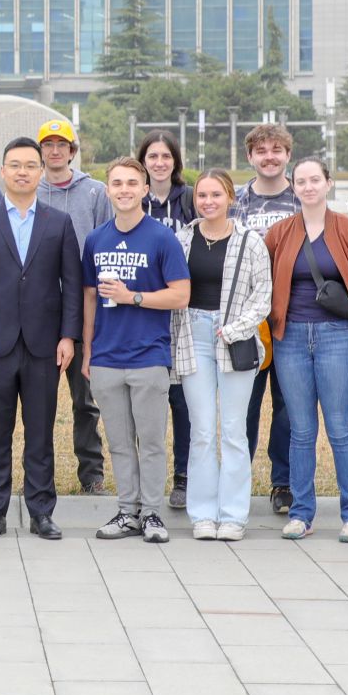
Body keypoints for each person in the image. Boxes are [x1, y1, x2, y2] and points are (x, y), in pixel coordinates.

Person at [0, 137, 84, 540]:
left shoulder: (58, 222)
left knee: (40, 433)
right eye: (15, 165)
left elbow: (71, 283)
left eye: (31, 165)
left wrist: (68, 336)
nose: (23, 172)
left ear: (40, 172)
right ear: (3, 171)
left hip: (44, 344)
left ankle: (41, 512)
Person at [265, 156, 348, 543]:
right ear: (293, 187)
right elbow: (264, 279)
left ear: (328, 183)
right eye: (301, 181)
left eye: (315, 179)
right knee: (300, 430)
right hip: (291, 338)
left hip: (337, 337)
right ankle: (301, 513)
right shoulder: (280, 233)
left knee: (340, 428)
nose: (309, 187)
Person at [83, 156, 191, 544]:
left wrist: (134, 297)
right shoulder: (96, 239)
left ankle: (152, 514)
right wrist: (88, 351)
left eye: (132, 183)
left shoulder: (162, 238)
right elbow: (90, 298)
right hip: (106, 358)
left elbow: (181, 295)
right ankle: (127, 511)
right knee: (119, 443)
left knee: (151, 442)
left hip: (148, 356)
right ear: (107, 190)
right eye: (117, 183)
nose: (124, 190)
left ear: (145, 189)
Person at [171, 170, 274, 542]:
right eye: (202, 195)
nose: (208, 201)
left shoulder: (250, 241)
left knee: (233, 431)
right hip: (193, 336)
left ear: (231, 197)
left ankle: (232, 515)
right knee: (201, 430)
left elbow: (263, 295)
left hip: (235, 338)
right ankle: (202, 514)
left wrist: (235, 328)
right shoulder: (183, 239)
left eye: (216, 194)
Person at [30, 119, 110, 496]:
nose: (55, 150)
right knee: (39, 400)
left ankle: (91, 473)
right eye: (48, 144)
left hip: (84, 307)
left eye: (62, 144)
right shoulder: (31, 191)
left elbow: (106, 241)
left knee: (85, 399)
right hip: (40, 308)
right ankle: (39, 474)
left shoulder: (94, 192)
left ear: (72, 151)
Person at [234, 123, 300, 517]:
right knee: (244, 404)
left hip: (293, 317)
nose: (269, 156)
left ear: (288, 155)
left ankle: (283, 482)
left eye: (277, 149)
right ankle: (237, 482)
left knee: (288, 406)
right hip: (248, 320)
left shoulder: (302, 198)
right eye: (261, 150)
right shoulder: (236, 202)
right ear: (250, 157)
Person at [135, 131, 195, 511]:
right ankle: (146, 478)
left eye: (165, 156)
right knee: (146, 402)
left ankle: (184, 476)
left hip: (183, 312)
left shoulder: (189, 199)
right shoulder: (133, 200)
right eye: (152, 156)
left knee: (183, 402)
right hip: (143, 311)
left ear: (175, 161)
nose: (159, 163)